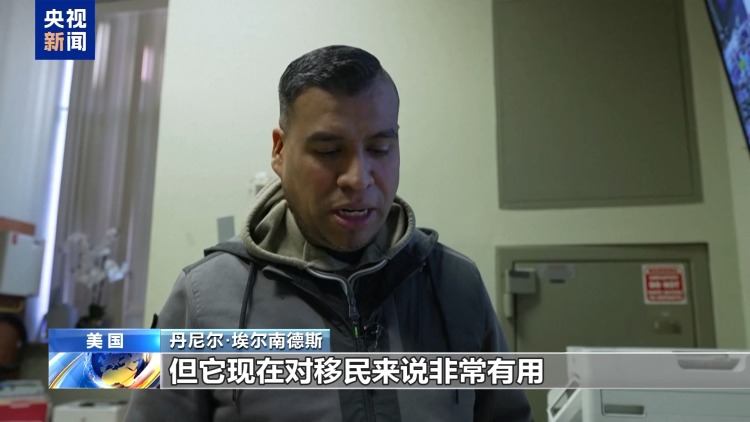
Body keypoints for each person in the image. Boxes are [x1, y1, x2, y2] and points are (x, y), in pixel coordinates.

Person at [125, 45, 532, 422]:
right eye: (328, 151)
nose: (358, 178)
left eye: (379, 149)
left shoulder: (455, 284)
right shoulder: (202, 298)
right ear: (280, 151)